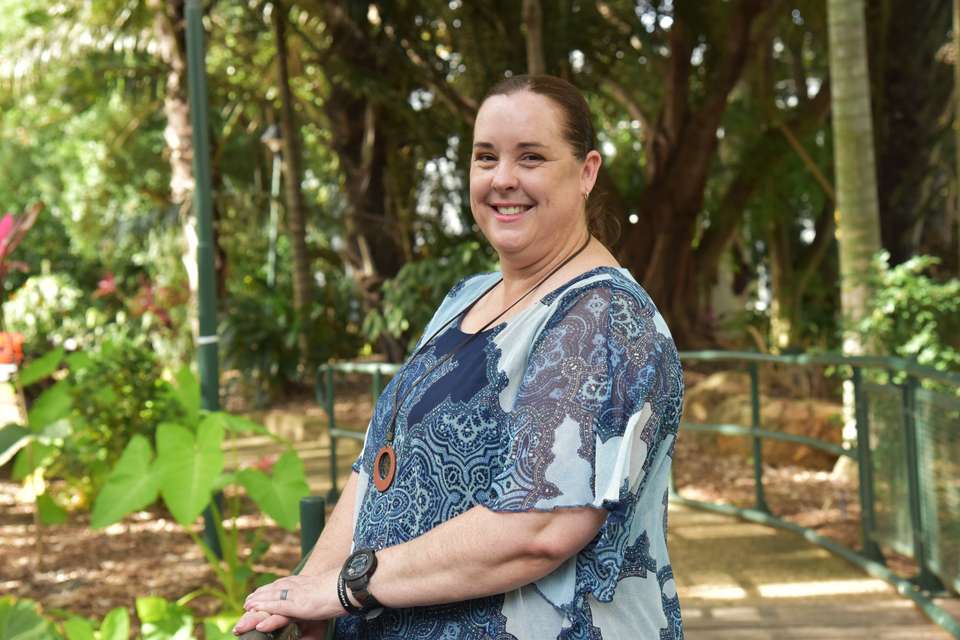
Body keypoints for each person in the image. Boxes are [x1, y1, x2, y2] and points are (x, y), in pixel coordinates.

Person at [234, 74, 684, 640]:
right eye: (485, 157)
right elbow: (378, 466)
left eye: (532, 157)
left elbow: (540, 525)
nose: (503, 179)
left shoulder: (604, 319)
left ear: (587, 171)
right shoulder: (464, 298)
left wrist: (347, 585)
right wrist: (304, 593)